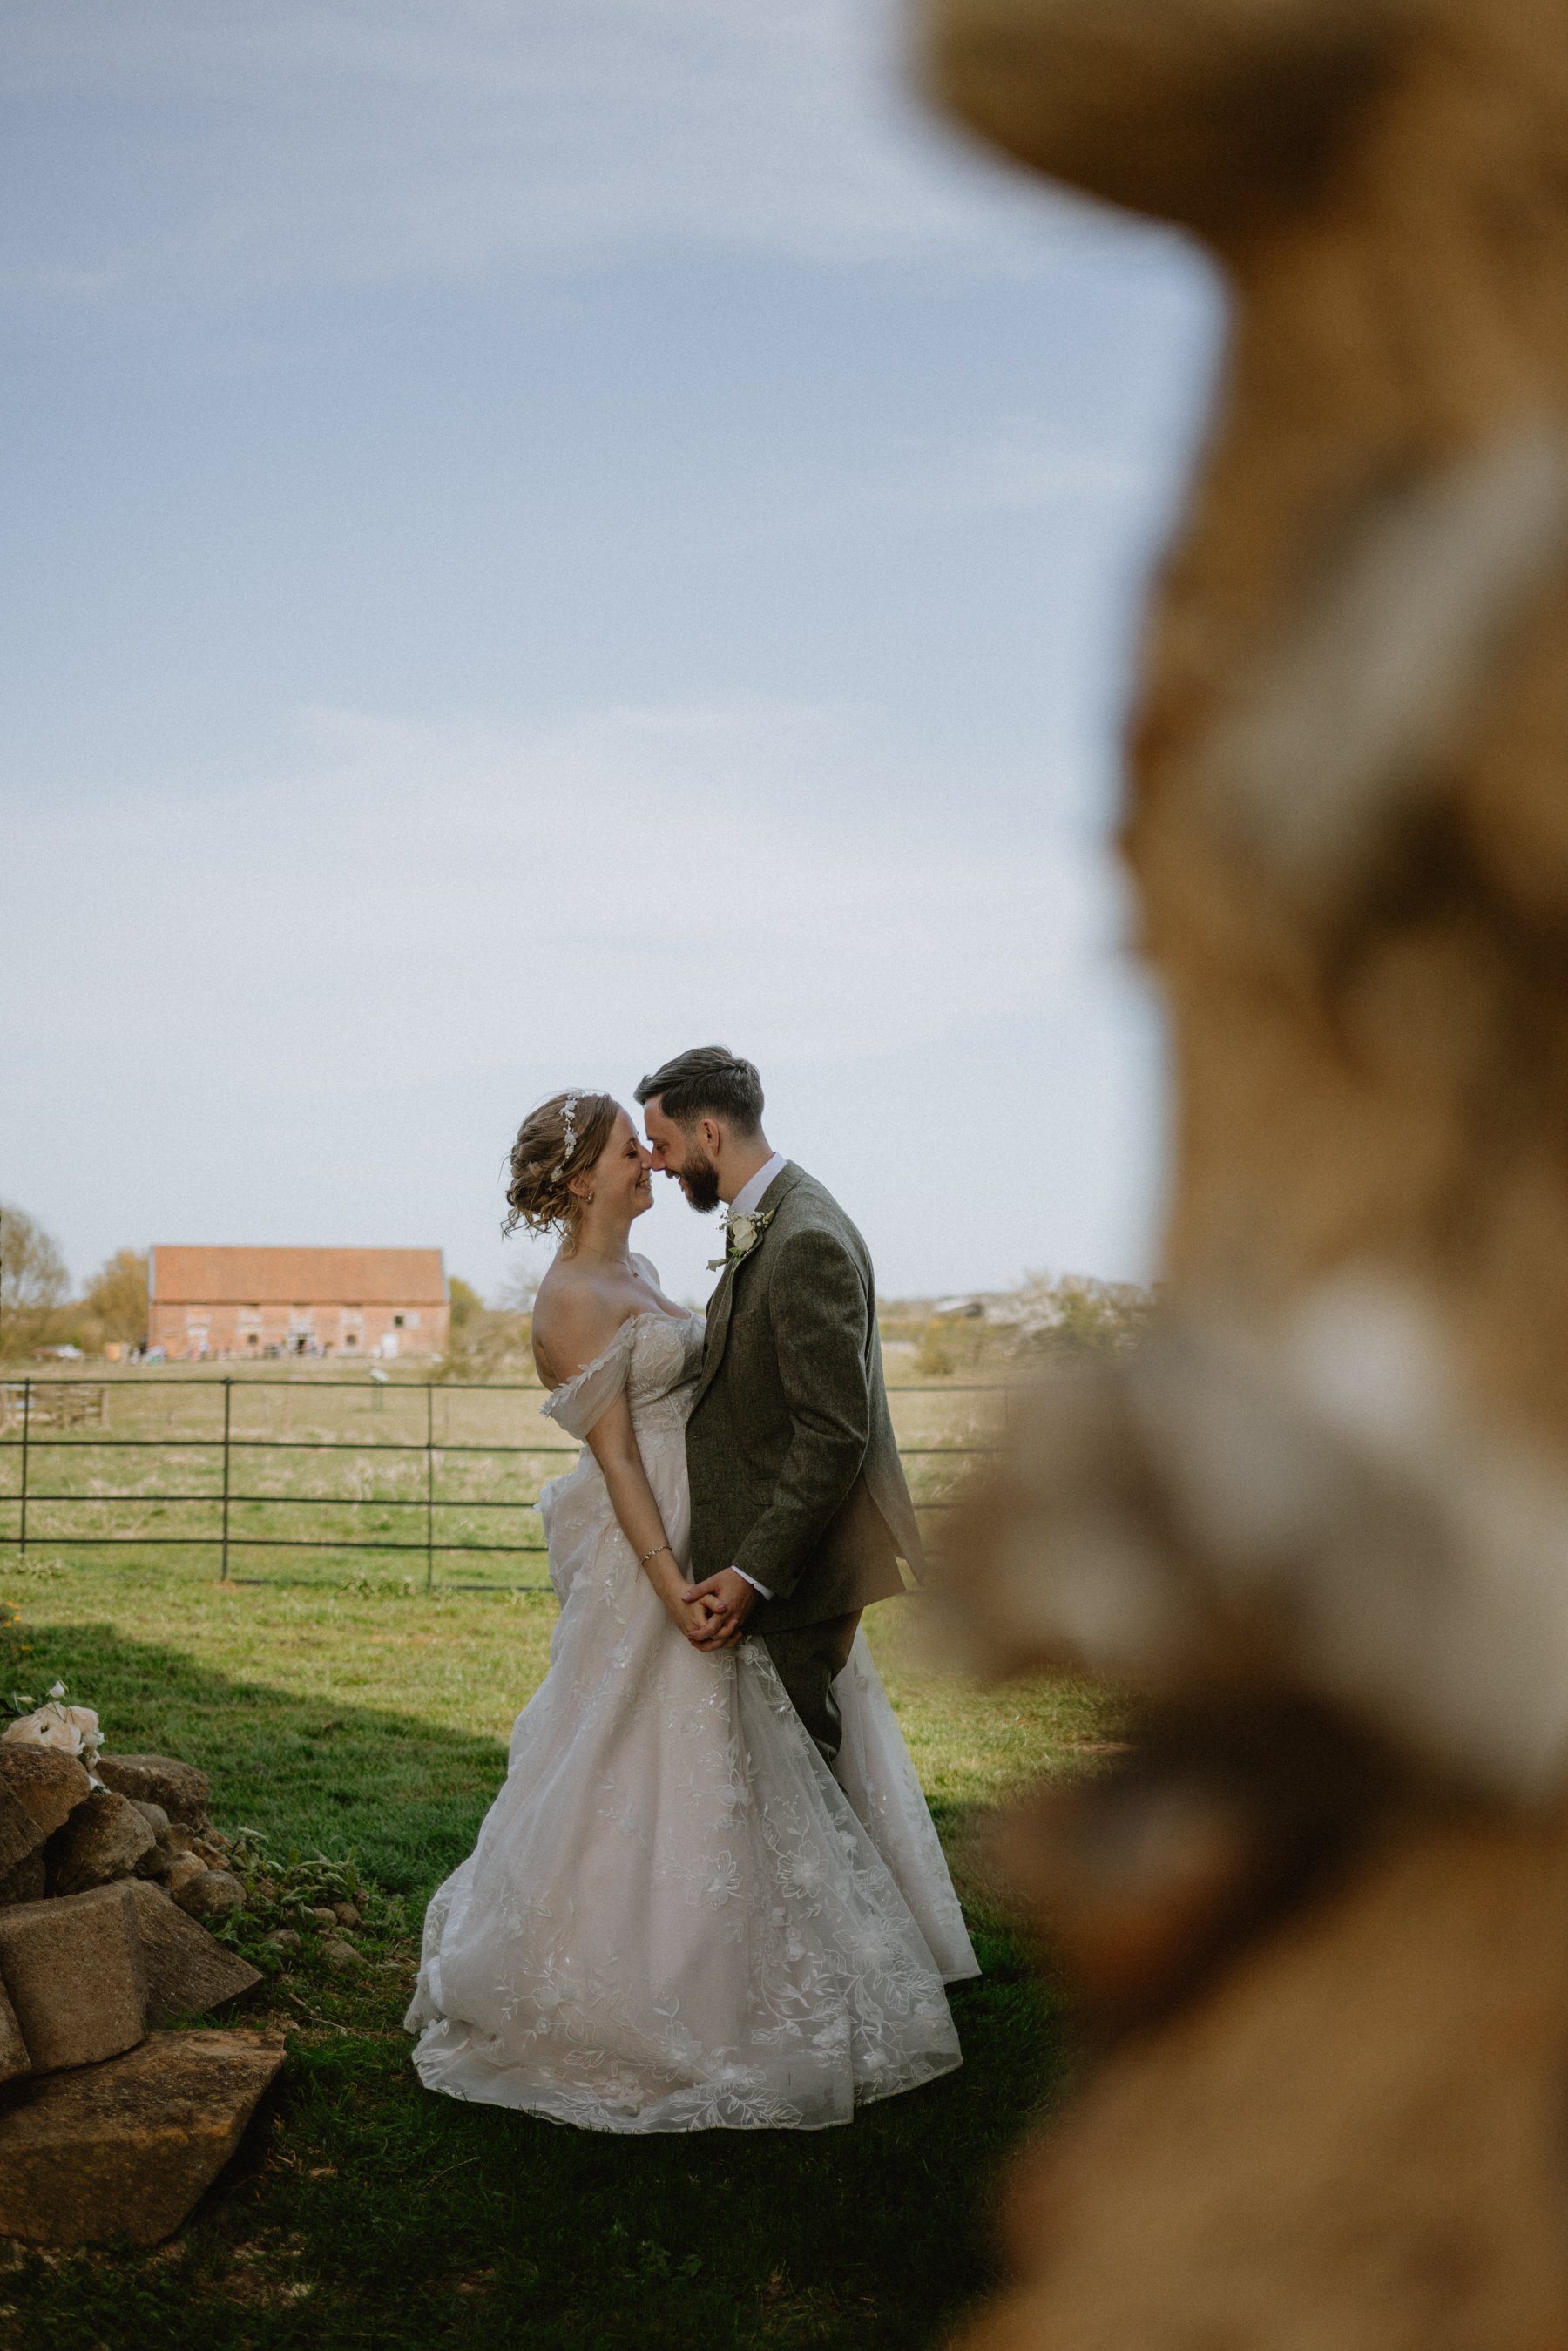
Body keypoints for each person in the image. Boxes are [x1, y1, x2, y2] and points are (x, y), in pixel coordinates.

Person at [406, 1079, 976, 2133]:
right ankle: (664, 1983)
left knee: (762, 1745)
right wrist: (669, 1582)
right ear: (584, 1178)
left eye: (651, 1143)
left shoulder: (646, 1268)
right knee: (659, 1747)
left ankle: (795, 1944)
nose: (650, 1162)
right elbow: (618, 1456)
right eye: (633, 1149)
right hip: (656, 1539)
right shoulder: (572, 1296)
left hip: (720, 1518)